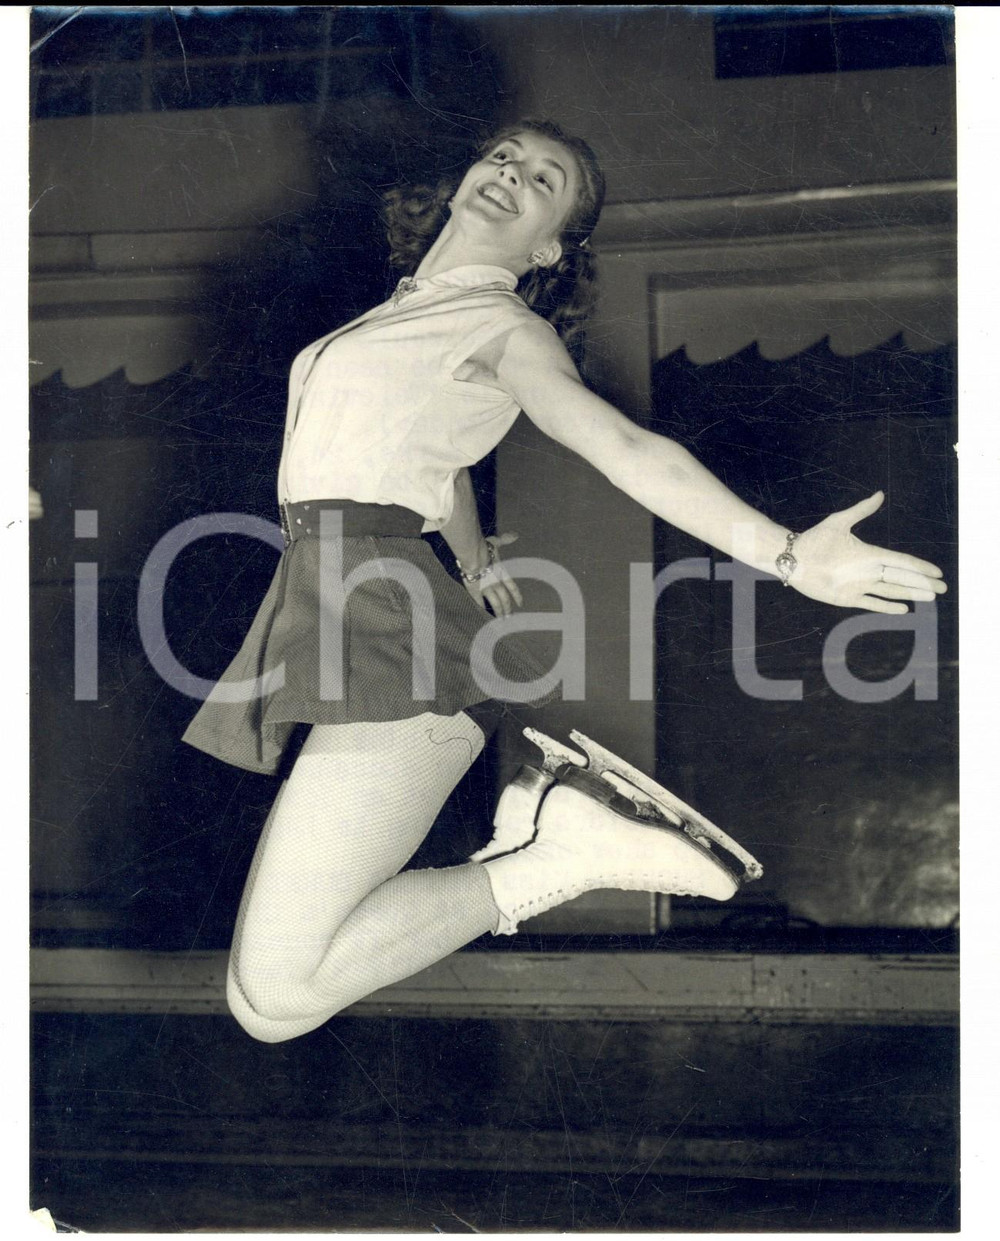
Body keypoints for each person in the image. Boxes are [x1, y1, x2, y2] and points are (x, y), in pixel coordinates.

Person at [182, 119, 946, 1044]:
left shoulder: (506, 326)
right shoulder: (406, 310)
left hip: (385, 621)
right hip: (347, 593)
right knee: (259, 1001)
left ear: (549, 245)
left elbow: (623, 446)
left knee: (279, 993)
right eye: (504, 156)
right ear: (466, 176)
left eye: (544, 179)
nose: (512, 172)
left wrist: (786, 552)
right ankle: (562, 846)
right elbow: (442, 458)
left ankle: (564, 853)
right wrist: (477, 561)